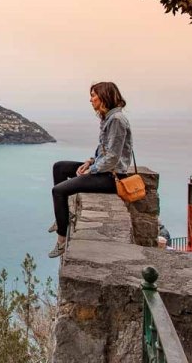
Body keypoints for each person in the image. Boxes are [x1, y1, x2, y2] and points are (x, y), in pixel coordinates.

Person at [48, 82, 133, 258]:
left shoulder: (117, 120)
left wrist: (91, 170)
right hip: (103, 169)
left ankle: (62, 240)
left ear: (104, 97)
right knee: (60, 167)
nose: (91, 99)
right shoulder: (108, 118)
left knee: (58, 191)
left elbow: (113, 157)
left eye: (93, 95)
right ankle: (62, 216)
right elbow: (104, 149)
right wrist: (90, 161)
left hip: (112, 177)